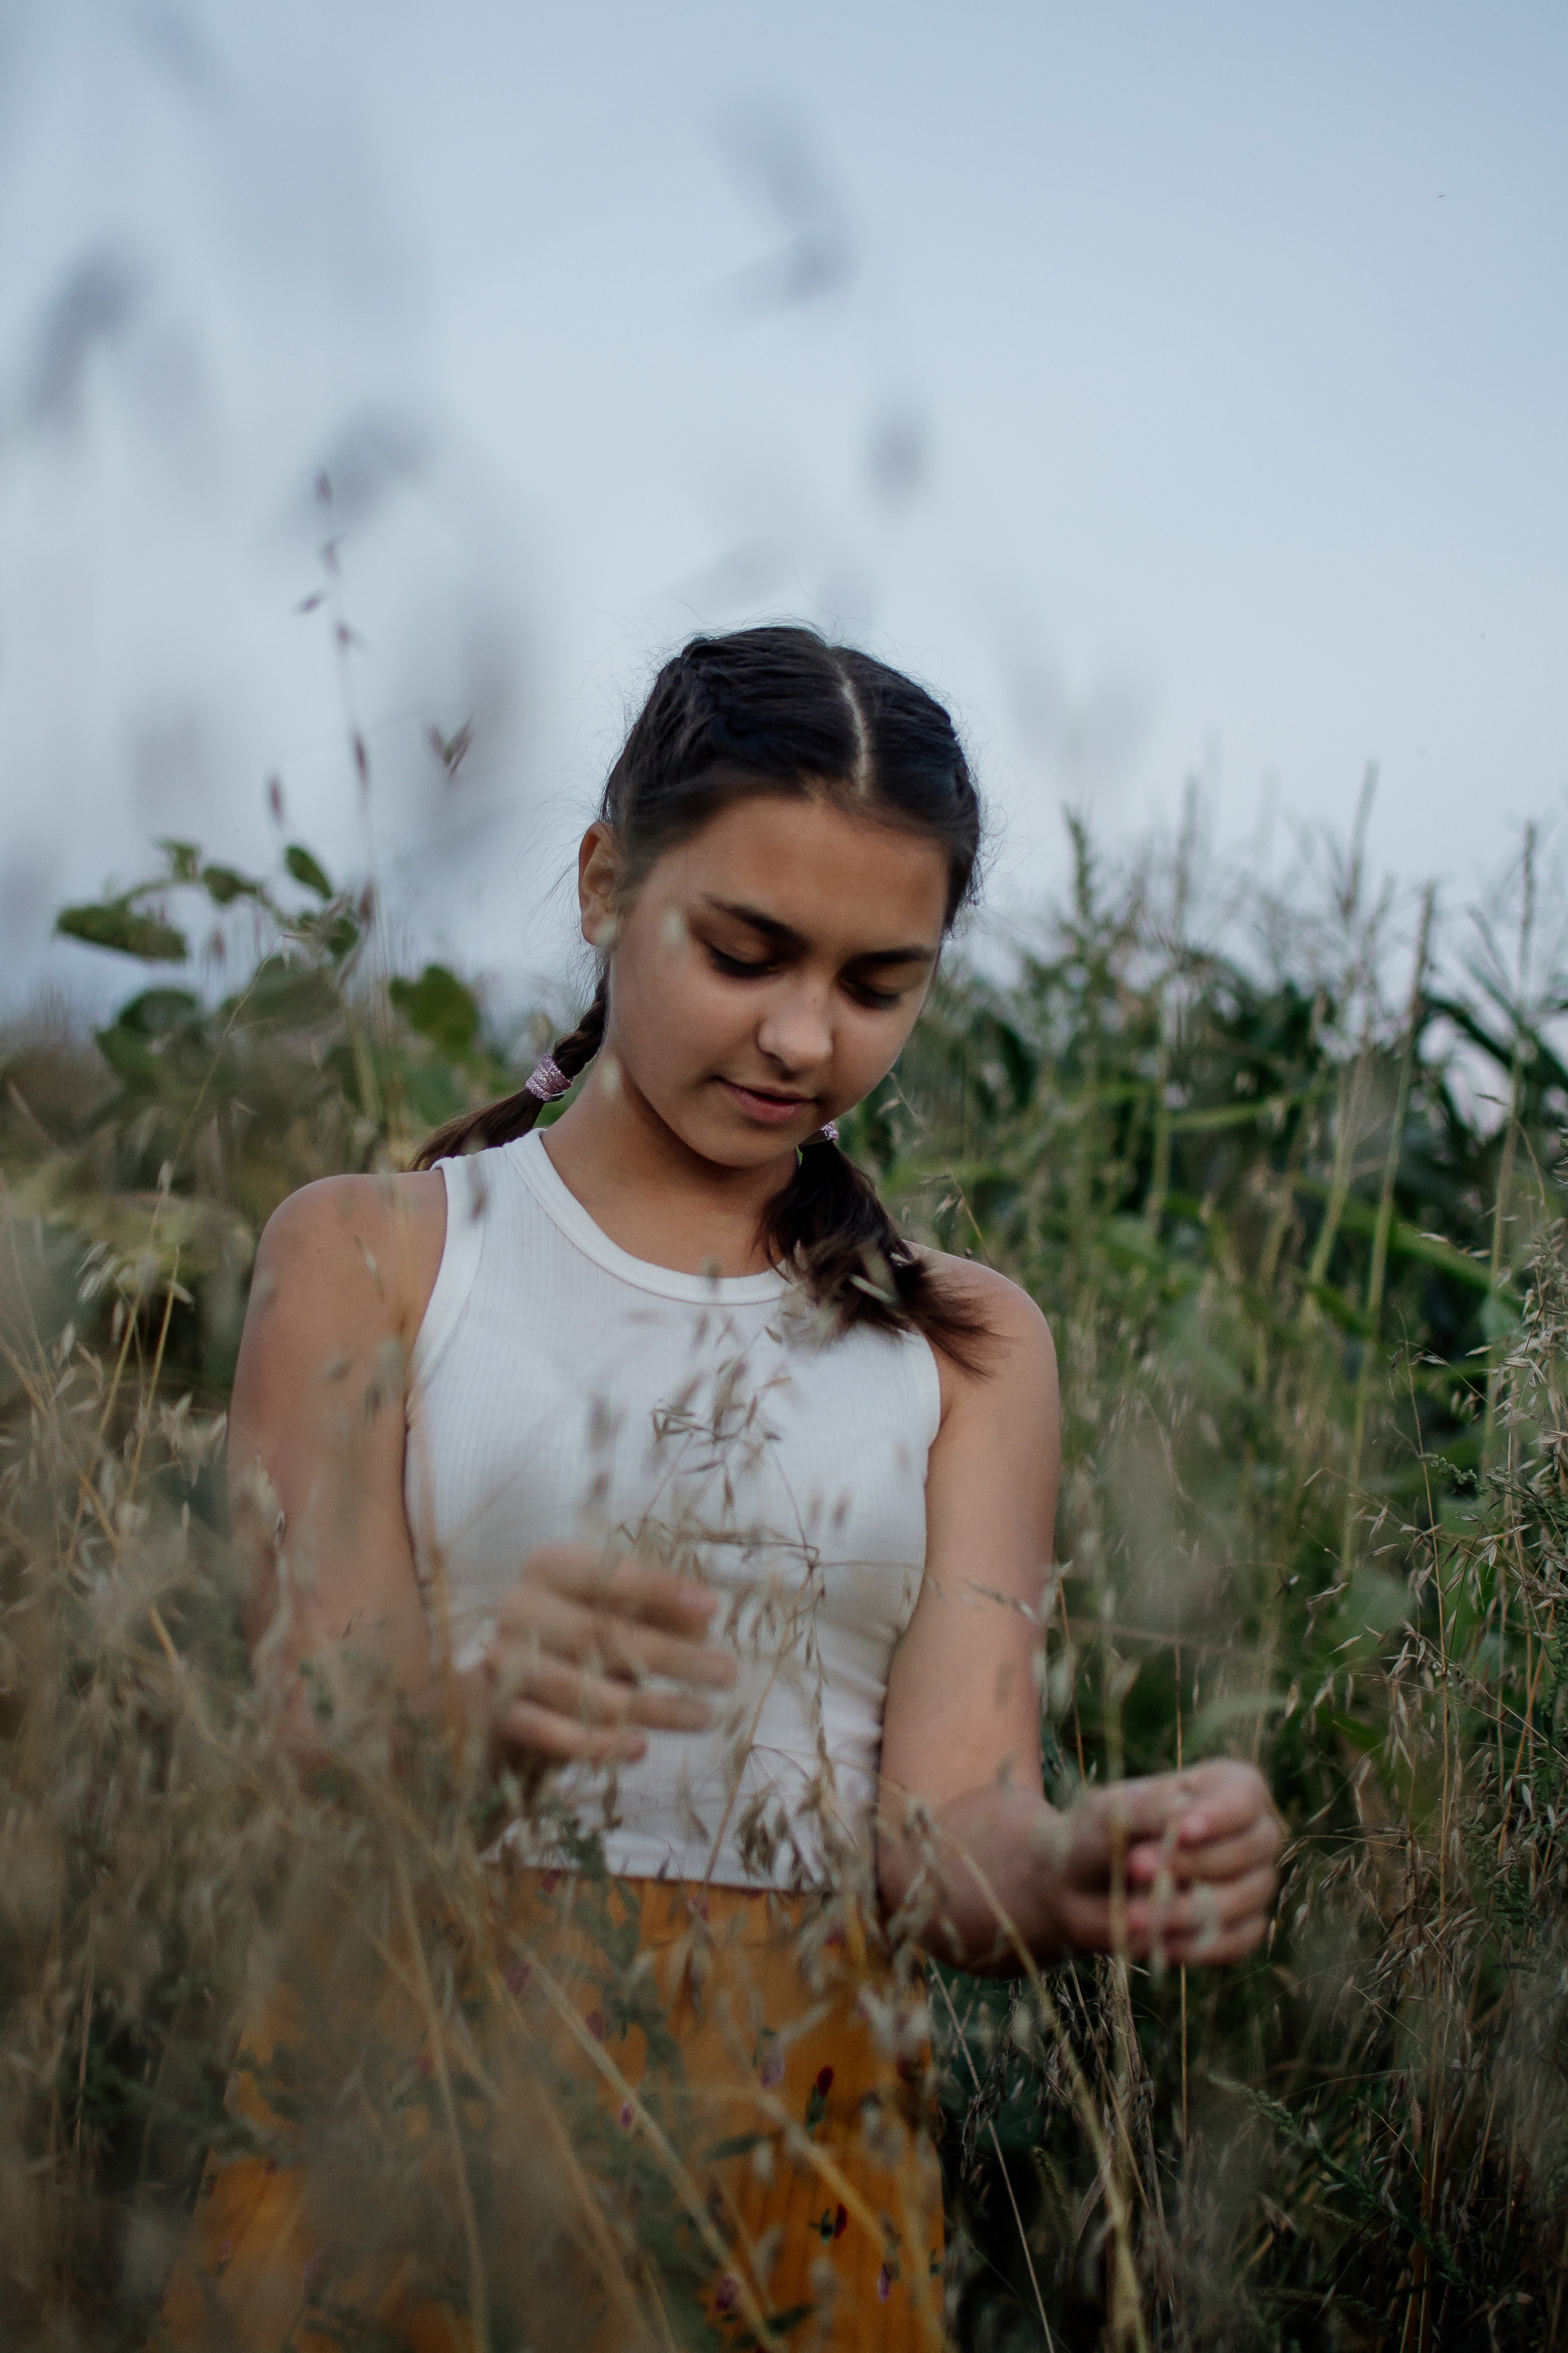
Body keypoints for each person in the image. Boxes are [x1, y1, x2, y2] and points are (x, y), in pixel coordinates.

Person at [159, 625, 1280, 2352]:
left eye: (877, 982)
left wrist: (1067, 1872)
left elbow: (942, 1836)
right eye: (744, 950)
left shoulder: (970, 1344)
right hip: (411, 2087)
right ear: (608, 881)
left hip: (796, 2120)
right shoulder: (377, 1256)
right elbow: (317, 1728)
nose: (803, 1036)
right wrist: (472, 1719)